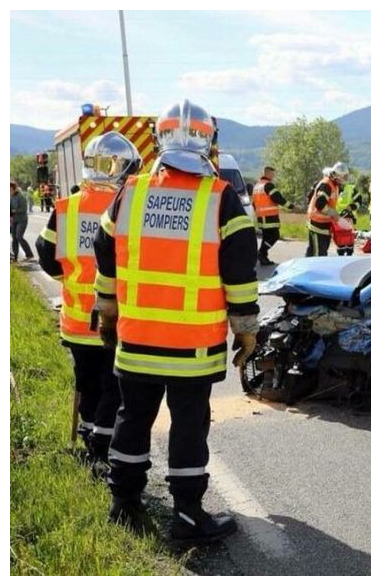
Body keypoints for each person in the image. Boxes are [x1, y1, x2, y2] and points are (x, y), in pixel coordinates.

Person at [93, 99, 259, 543]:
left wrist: (106, 312)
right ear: (210, 140)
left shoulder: (129, 193)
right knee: (188, 428)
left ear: (158, 138)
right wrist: (246, 332)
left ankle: (124, 507)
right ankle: (187, 517)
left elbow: (105, 258)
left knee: (133, 419)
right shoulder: (222, 199)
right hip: (194, 349)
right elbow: (241, 275)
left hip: (136, 340)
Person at [35, 132, 139, 470]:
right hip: (114, 320)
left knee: (88, 386)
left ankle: (88, 440)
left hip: (78, 322)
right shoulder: (127, 205)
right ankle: (101, 450)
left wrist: (70, 279)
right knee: (114, 390)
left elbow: (46, 254)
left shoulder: (67, 207)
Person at [306, 162, 349, 257]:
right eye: (344, 176)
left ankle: (308, 267)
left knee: (318, 250)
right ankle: (315, 270)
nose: (345, 179)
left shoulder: (334, 185)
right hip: (317, 223)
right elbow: (320, 205)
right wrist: (333, 213)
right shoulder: (326, 185)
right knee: (318, 254)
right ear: (337, 176)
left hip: (324, 223)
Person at [251, 166, 291, 266]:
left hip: (261, 216)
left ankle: (263, 257)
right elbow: (278, 198)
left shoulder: (257, 186)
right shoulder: (268, 185)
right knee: (274, 236)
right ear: (267, 174)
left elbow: (253, 203)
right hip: (270, 217)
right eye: (272, 174)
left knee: (266, 237)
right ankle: (261, 253)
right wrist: (291, 206)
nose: (273, 176)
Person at [334, 178, 362, 256]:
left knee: (349, 239)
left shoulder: (351, 189)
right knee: (340, 239)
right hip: (337, 218)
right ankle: (340, 255)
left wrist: (351, 207)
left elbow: (359, 200)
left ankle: (349, 254)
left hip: (349, 217)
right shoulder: (333, 188)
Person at [10, 181, 33, 262]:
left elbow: (24, 209)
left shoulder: (20, 197)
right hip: (13, 221)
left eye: (10, 189)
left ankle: (29, 254)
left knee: (19, 237)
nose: (9, 191)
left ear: (14, 189)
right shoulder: (9, 197)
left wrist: (14, 211)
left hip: (22, 220)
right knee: (14, 238)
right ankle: (15, 257)